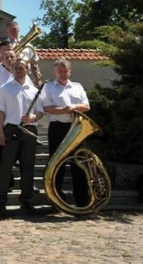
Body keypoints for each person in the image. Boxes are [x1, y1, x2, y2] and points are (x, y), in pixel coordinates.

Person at [0, 59, 44, 216]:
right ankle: (1, 203)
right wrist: (0, 133)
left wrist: (34, 117)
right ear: (12, 70)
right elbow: (0, 112)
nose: (18, 70)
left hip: (30, 130)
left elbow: (41, 112)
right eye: (15, 68)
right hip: (11, 130)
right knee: (5, 167)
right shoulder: (5, 88)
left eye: (21, 67)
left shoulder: (34, 90)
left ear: (27, 70)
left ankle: (26, 201)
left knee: (28, 167)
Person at [42, 59, 91, 206]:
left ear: (70, 71)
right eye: (60, 71)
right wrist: (64, 110)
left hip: (75, 128)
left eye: (65, 71)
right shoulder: (48, 87)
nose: (63, 73)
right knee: (56, 164)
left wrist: (73, 107)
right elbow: (47, 108)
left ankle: (82, 200)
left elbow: (86, 106)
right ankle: (57, 199)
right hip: (57, 128)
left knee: (79, 164)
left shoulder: (77, 86)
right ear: (55, 72)